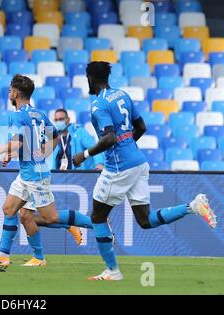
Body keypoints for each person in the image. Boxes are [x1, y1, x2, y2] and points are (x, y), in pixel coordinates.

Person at [73, 61, 218, 281]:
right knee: (145, 220)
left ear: (91, 78)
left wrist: (84, 155)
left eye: (87, 77)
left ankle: (112, 271)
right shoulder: (122, 95)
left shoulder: (98, 105)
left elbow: (109, 137)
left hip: (119, 167)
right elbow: (141, 127)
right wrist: (128, 147)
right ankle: (193, 207)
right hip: (138, 162)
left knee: (97, 216)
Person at [0, 74, 93, 268]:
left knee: (50, 217)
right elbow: (54, 138)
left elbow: (17, 142)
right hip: (27, 172)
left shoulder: (17, 115)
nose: (9, 93)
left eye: (9, 91)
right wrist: (37, 153)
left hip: (35, 175)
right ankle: (4, 255)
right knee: (11, 210)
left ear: (15, 93)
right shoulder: (38, 114)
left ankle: (95, 223)